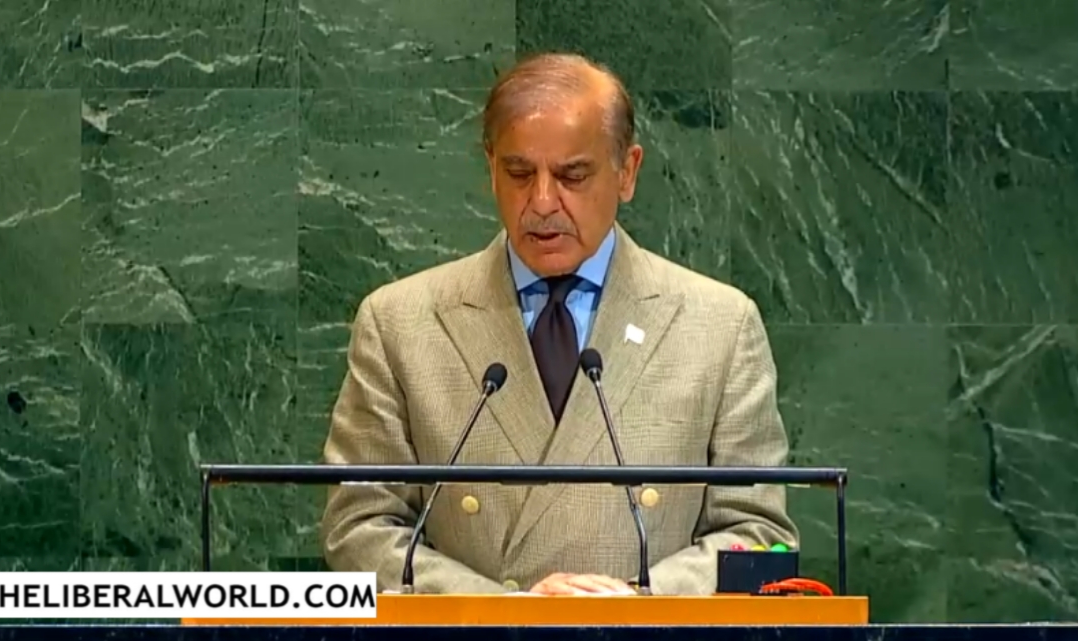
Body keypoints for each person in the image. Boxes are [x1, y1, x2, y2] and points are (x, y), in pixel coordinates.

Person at [319, 52, 798, 596]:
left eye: (572, 175)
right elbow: (359, 527)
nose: (543, 202)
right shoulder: (400, 323)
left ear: (627, 171)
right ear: (491, 168)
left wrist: (637, 601)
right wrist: (506, 610)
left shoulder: (719, 326)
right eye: (519, 174)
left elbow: (761, 537)